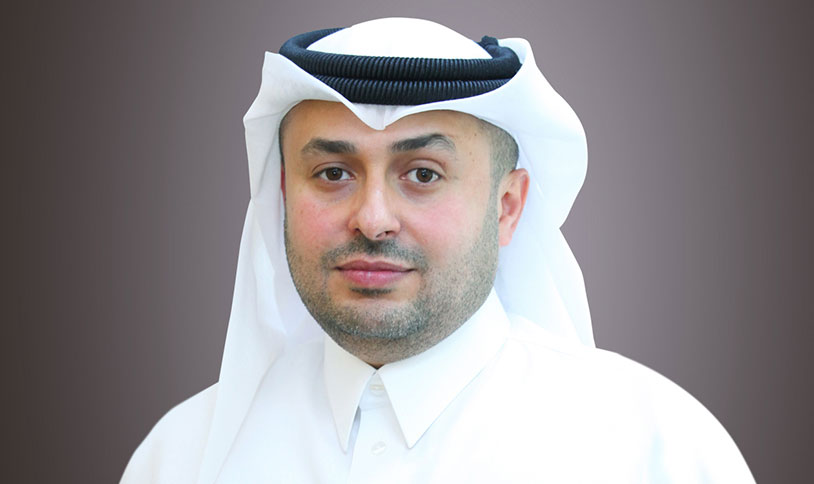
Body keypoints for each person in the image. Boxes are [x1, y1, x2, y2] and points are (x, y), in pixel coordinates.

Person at [121, 18, 755, 483]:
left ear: (507, 206)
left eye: (422, 174)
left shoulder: (654, 451)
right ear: (284, 194)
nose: (373, 220)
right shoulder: (179, 459)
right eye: (333, 173)